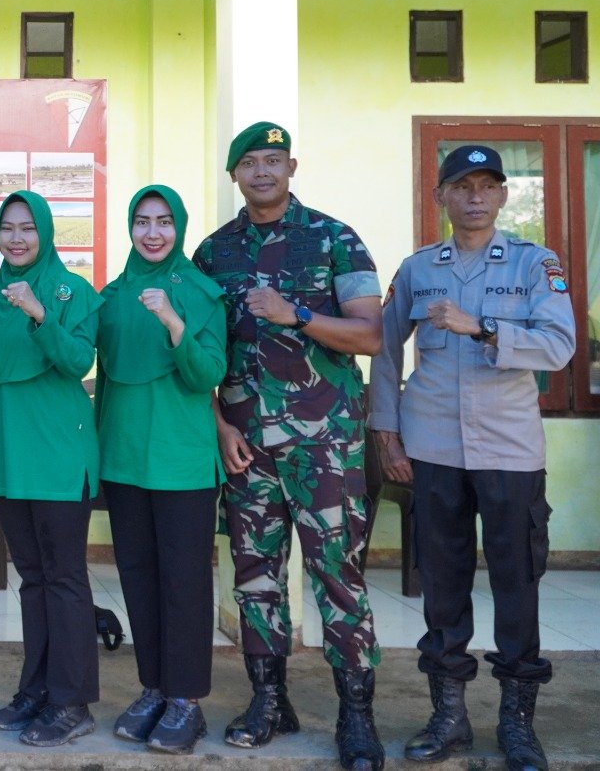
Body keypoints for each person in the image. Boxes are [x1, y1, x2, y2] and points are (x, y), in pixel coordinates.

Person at [370, 145, 575, 771]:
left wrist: (482, 327)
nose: (476, 197)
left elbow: (560, 346)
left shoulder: (535, 263)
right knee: (442, 583)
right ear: (442, 197)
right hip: (432, 448)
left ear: (504, 196)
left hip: (509, 451)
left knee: (516, 583)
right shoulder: (417, 269)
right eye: (462, 186)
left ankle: (517, 722)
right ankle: (449, 716)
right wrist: (387, 434)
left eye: (488, 185)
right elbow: (385, 353)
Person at [193, 122, 386, 771]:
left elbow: (370, 336)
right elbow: (200, 355)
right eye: (249, 162)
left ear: (291, 167)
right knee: (254, 578)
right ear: (235, 175)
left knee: (338, 576)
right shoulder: (213, 253)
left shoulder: (335, 239)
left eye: (273, 160)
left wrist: (296, 314)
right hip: (247, 449)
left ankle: (356, 717)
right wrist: (219, 426)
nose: (262, 171)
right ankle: (269, 701)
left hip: (324, 446)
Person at [0, 191, 102, 747]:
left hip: (60, 455)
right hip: (9, 456)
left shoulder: (73, 291)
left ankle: (72, 702)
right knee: (32, 578)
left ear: (45, 233)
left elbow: (78, 361)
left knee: (64, 578)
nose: (16, 238)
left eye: (28, 228)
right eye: (8, 228)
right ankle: (37, 688)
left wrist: (40, 314)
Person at [95, 185, 227, 755]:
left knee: (184, 584)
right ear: (130, 227)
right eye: (143, 221)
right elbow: (104, 382)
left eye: (164, 222)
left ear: (179, 227)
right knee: (138, 578)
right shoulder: (111, 296)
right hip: (124, 461)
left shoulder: (200, 292)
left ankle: (186, 699)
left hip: (182, 463)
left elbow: (207, 375)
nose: (153, 233)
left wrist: (174, 323)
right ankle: (153, 687)